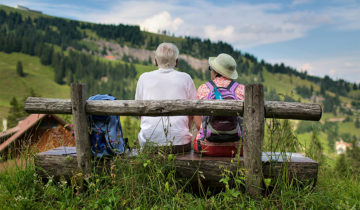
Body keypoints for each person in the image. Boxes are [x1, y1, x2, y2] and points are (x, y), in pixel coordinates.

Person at [135, 43, 197, 153]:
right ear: (176, 61)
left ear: (155, 61)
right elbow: (193, 112)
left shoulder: (143, 78)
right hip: (180, 143)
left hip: (149, 142)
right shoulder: (186, 78)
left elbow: (139, 112)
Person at [193, 53, 245, 157]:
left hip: (206, 147)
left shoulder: (204, 88)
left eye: (210, 69)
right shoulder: (242, 89)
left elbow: (199, 125)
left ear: (215, 71)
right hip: (237, 148)